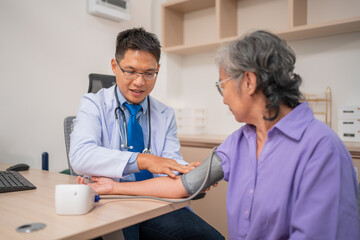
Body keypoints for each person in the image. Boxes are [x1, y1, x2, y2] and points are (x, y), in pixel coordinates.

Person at [78, 30, 360, 240]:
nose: (223, 98)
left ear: (248, 82)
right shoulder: (241, 142)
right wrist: (115, 188)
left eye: (222, 85)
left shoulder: (321, 150)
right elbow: (184, 184)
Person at [70, 27, 224, 240]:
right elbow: (80, 156)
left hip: (153, 201)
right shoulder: (94, 104)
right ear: (115, 66)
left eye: (149, 73)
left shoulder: (165, 114)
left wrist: (186, 172)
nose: (140, 82)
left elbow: (169, 164)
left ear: (157, 70)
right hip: (109, 199)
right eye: (131, 71)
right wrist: (144, 160)